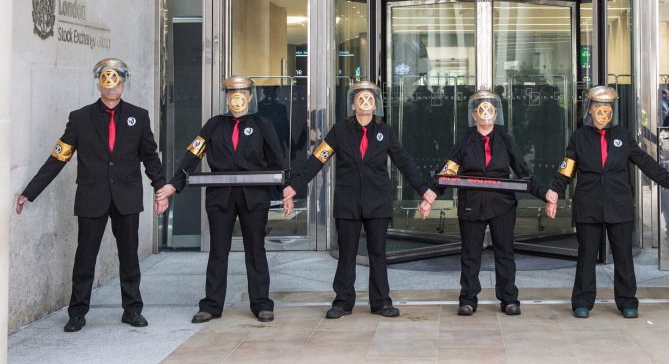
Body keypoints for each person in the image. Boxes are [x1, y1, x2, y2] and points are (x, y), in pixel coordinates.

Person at [16, 58, 165, 332]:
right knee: (85, 256)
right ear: (98, 82)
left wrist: (161, 188)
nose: (112, 85)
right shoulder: (80, 118)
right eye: (106, 79)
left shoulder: (139, 116)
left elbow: (150, 157)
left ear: (124, 82)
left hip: (127, 197)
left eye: (117, 79)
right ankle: (77, 312)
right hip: (91, 197)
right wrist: (30, 191)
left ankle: (132, 309)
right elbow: (58, 157)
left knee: (129, 256)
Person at [282, 81, 437, 319]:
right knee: (347, 254)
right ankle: (343, 302)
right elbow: (317, 159)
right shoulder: (340, 131)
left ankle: (381, 302)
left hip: (378, 203)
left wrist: (425, 190)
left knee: (378, 253)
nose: (365, 103)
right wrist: (294, 187)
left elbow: (404, 162)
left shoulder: (385, 131)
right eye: (361, 99)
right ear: (353, 104)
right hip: (348, 202)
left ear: (376, 104)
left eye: (370, 99)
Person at [544, 85, 669, 318]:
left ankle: (627, 301)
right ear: (590, 108)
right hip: (588, 204)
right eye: (599, 106)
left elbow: (645, 162)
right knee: (586, 255)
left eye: (608, 107)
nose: (603, 111)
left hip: (618, 204)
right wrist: (554, 193)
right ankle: (582, 301)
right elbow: (566, 167)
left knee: (623, 256)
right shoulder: (579, 137)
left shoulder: (622, 135)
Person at [155, 76, 284, 323]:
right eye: (231, 92)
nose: (237, 97)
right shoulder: (213, 125)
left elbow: (277, 161)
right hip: (220, 197)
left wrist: (286, 190)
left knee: (256, 250)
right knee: (218, 251)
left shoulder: (262, 124)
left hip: (253, 198)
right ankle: (212, 305)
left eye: (242, 92)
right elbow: (192, 155)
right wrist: (174, 184)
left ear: (249, 96)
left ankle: (261, 304)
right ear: (226, 97)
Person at [420, 90, 549, 316]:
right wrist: (430, 197)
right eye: (481, 110)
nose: (486, 114)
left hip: (502, 205)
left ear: (496, 113)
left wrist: (547, 194)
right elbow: (448, 171)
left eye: (490, 109)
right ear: (474, 115)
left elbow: (524, 172)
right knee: (470, 253)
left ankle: (509, 298)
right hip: (472, 204)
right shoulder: (465, 141)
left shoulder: (505, 139)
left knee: (505, 252)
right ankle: (468, 299)